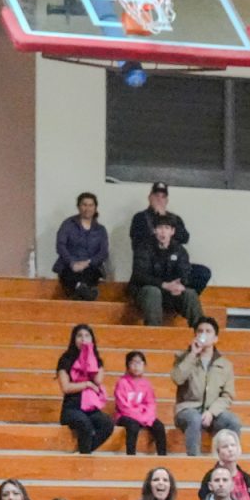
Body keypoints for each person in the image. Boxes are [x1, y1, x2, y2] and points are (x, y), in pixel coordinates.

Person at [171, 318, 241, 457]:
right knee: (194, 419)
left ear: (215, 338)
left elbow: (227, 396)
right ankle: (194, 461)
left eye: (208, 331)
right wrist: (192, 354)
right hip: (187, 409)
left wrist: (211, 412)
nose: (203, 334)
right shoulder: (183, 357)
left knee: (233, 421)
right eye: (200, 331)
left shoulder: (225, 364)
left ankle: (229, 461)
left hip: (212, 412)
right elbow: (177, 378)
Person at [129, 181, 211, 292]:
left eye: (163, 197)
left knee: (202, 273)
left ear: (167, 200)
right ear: (149, 198)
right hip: (152, 265)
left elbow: (185, 238)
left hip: (172, 265)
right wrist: (156, 224)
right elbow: (138, 242)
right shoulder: (140, 217)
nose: (159, 199)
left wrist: (166, 219)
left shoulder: (174, 218)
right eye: (156, 196)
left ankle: (181, 297)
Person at [130, 215, 204, 328]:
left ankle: (201, 332)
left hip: (171, 293)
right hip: (145, 292)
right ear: (154, 230)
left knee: (190, 294)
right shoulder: (143, 247)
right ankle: (154, 334)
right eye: (160, 228)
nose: (163, 232)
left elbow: (185, 271)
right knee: (153, 292)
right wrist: (164, 285)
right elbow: (139, 275)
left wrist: (180, 285)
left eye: (167, 228)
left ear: (172, 231)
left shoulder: (179, 250)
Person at [55, 324, 113, 456]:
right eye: (79, 336)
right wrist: (86, 384)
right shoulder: (65, 360)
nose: (83, 339)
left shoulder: (97, 360)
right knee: (84, 424)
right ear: (73, 339)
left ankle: (83, 452)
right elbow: (66, 387)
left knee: (107, 423)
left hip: (90, 407)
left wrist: (89, 358)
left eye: (87, 336)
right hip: (71, 408)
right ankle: (84, 455)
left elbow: (97, 381)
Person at [53, 192, 109, 302]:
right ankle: (82, 290)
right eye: (84, 205)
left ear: (95, 207)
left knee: (90, 276)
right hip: (69, 266)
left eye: (90, 205)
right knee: (70, 275)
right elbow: (60, 245)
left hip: (91, 267)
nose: (87, 208)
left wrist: (87, 262)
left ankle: (82, 290)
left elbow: (103, 252)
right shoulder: (68, 224)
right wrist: (72, 263)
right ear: (78, 206)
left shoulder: (101, 229)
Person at [113, 351, 168, 456]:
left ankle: (163, 457)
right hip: (125, 415)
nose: (136, 366)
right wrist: (140, 417)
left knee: (159, 426)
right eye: (133, 363)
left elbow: (151, 403)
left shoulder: (146, 384)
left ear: (144, 365)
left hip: (143, 416)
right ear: (127, 366)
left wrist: (146, 416)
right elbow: (123, 406)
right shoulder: (122, 383)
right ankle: (131, 456)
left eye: (139, 363)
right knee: (133, 426)